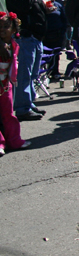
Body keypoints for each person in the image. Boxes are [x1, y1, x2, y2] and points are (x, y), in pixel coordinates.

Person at [6, 0, 49, 121]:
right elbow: (23, 6)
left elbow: (35, 7)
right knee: (24, 74)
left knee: (32, 74)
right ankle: (22, 108)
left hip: (35, 38)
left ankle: (28, 103)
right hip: (25, 38)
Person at [0, 12, 31, 155]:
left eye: (6, 26)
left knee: (9, 114)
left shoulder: (13, 44)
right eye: (0, 26)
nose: (2, 29)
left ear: (13, 29)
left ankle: (14, 140)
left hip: (6, 85)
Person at [41, 0, 68, 79]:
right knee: (46, 54)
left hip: (58, 33)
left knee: (56, 54)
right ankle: (45, 72)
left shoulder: (58, 5)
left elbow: (63, 18)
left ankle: (55, 71)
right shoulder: (42, 5)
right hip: (47, 34)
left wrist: (64, 30)